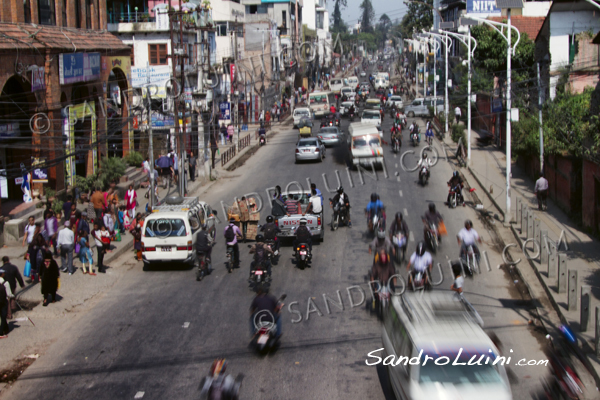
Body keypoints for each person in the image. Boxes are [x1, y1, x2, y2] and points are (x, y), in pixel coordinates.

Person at [0, 268, 11, 337]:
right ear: (2, 274)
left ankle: (6, 328)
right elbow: (9, 294)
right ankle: (1, 333)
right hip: (3, 302)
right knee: (3, 316)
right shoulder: (5, 283)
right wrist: (13, 296)